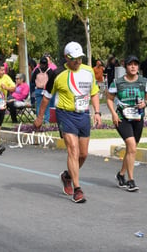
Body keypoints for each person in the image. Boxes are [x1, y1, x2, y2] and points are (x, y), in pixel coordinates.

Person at [34, 41, 101, 203]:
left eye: (80, 58)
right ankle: (78, 189)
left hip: (83, 114)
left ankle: (67, 176)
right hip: (65, 114)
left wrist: (97, 112)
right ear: (66, 58)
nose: (77, 62)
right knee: (73, 149)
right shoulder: (57, 74)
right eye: (74, 59)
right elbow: (46, 98)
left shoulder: (88, 71)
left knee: (83, 154)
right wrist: (40, 117)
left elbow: (94, 92)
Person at [107, 55, 147, 192]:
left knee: (131, 149)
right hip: (122, 118)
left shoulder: (144, 82)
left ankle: (121, 174)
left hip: (138, 118)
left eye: (135, 64)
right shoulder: (118, 82)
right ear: (125, 67)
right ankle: (130, 180)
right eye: (130, 64)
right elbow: (109, 99)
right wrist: (114, 114)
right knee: (132, 146)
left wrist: (145, 103)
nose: (133, 67)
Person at [32, 57, 53, 124]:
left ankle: (39, 120)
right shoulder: (50, 71)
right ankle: (46, 121)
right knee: (46, 105)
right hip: (47, 90)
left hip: (38, 89)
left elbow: (32, 80)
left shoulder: (36, 71)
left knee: (38, 105)